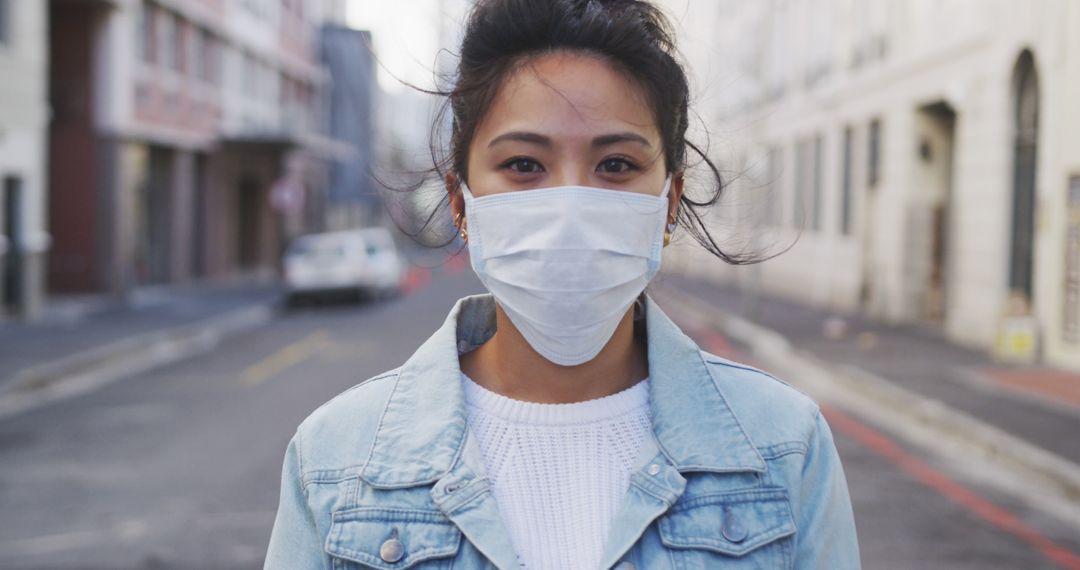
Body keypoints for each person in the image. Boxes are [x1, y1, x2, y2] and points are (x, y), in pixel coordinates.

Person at [264, 0, 860, 568]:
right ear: (460, 202)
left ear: (669, 201)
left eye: (617, 165)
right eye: (524, 165)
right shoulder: (334, 459)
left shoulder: (784, 445)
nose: (570, 206)